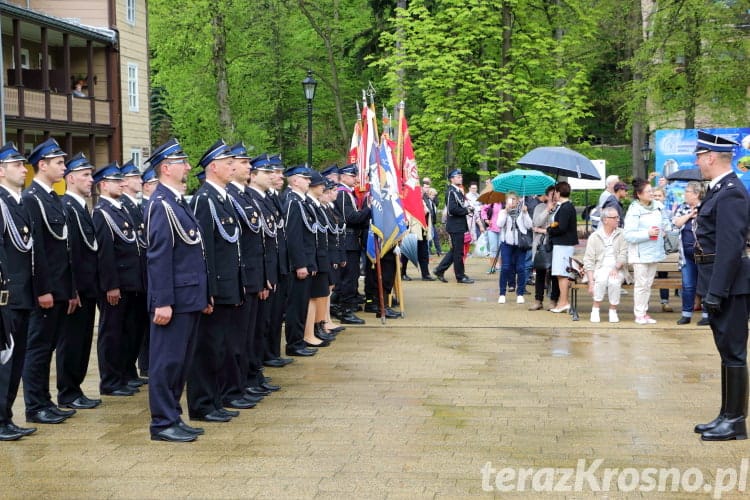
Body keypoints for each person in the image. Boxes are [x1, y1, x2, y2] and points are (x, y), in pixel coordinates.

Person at [145, 138, 209, 442]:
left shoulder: (175, 202)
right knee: (166, 362)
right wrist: (162, 302)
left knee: (180, 362)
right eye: (182, 162)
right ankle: (161, 422)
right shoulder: (160, 204)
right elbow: (158, 257)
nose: (187, 167)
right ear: (166, 168)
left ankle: (173, 415)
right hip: (175, 299)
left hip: (188, 296)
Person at [691, 131, 750, 441]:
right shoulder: (719, 191)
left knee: (734, 353)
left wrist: (716, 291)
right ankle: (726, 415)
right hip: (720, 282)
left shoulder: (731, 193)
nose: (697, 162)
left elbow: (729, 247)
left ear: (711, 158)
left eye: (700, 157)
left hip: (730, 285)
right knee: (727, 351)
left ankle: (736, 421)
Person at [22, 138, 78, 425]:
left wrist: (68, 290)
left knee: (49, 346)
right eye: (58, 162)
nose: (63, 167)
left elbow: (63, 250)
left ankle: (46, 401)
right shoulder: (32, 199)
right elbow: (37, 249)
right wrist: (43, 289)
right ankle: (35, 405)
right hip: (46, 289)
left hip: (59, 287)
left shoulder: (52, 197)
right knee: (38, 348)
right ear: (41, 165)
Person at [92, 162, 144, 397]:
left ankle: (124, 374)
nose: (122, 183)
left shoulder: (120, 209)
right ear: (103, 185)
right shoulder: (102, 212)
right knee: (112, 333)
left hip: (131, 281)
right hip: (116, 285)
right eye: (116, 181)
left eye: (123, 179)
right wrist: (111, 285)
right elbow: (105, 253)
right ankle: (110, 380)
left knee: (129, 331)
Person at [0, 142, 37, 439]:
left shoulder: (19, 203)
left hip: (22, 295)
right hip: (6, 297)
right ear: (1, 171)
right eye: (17, 165)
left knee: (17, 360)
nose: (24, 169)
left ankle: (7, 416)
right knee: (4, 361)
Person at [59, 153, 101, 409]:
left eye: (91, 175)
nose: (91, 180)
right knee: (71, 342)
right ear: (71, 178)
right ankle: (67, 391)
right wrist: (72, 288)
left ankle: (75, 388)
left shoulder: (81, 208)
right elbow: (69, 252)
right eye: (85, 175)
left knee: (82, 342)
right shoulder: (67, 207)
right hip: (78, 290)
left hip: (88, 288)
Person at [283, 165, 319, 357]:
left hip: (306, 261)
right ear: (295, 181)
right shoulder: (292, 202)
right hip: (299, 265)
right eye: (305, 179)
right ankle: (294, 343)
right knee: (296, 306)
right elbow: (293, 236)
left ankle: (298, 340)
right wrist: (300, 264)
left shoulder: (300, 202)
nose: (309, 182)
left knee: (302, 304)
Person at [623, 178, 667, 324]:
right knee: (641, 284)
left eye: (651, 190)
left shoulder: (658, 206)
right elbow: (628, 235)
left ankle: (644, 311)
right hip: (640, 253)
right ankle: (639, 314)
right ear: (639, 194)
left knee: (648, 284)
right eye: (648, 191)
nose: (651, 193)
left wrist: (666, 230)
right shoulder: (634, 210)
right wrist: (647, 233)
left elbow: (666, 223)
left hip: (654, 251)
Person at [672, 181, 709, 326]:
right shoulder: (683, 207)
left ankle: (707, 315)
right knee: (687, 285)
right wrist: (689, 215)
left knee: (705, 284)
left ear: (696, 194)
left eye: (687, 191)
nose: (684, 194)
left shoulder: (706, 207)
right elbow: (676, 223)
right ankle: (686, 314)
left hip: (703, 253)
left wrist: (698, 216)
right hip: (686, 254)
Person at [335, 163, 368, 324]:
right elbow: (350, 218)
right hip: (347, 240)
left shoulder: (348, 193)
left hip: (352, 240)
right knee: (348, 277)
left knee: (351, 276)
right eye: (353, 176)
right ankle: (345, 310)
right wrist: (368, 210)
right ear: (343, 177)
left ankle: (346, 306)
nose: (355, 179)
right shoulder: (342, 194)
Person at [583, 206, 627, 323]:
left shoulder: (622, 234)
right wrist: (590, 281)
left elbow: (624, 254)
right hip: (600, 267)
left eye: (618, 217)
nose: (618, 219)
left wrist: (616, 268)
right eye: (615, 217)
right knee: (601, 279)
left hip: (617, 267)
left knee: (614, 281)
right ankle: (595, 308)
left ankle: (613, 310)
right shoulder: (595, 236)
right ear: (605, 220)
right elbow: (589, 260)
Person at [433, 169, 474, 284]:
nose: (460, 178)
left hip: (459, 225)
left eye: (461, 176)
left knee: (455, 251)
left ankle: (439, 270)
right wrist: (466, 210)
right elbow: (452, 209)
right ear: (452, 179)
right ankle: (460, 276)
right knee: (458, 252)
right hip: (455, 226)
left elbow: (459, 206)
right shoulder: (451, 191)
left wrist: (468, 208)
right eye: (458, 176)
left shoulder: (457, 191)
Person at [547, 181, 579, 313]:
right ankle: (562, 301)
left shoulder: (566, 207)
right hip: (561, 244)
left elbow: (562, 227)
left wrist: (550, 229)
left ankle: (564, 301)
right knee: (560, 274)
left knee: (562, 273)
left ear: (559, 193)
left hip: (563, 244)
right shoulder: (563, 206)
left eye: (555, 192)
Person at [496, 193, 532, 304]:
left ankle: (520, 293)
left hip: (520, 244)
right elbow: (499, 224)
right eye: (509, 200)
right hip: (506, 243)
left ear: (517, 201)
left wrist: (525, 213)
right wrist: (506, 212)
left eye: (514, 200)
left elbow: (529, 225)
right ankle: (502, 293)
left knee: (521, 268)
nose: (512, 202)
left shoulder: (522, 211)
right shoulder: (503, 212)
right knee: (505, 267)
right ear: (506, 201)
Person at [529, 185, 558, 311]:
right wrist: (547, 210)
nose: (554, 197)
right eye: (551, 194)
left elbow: (558, 228)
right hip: (541, 245)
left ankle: (553, 300)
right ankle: (538, 300)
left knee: (554, 274)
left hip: (555, 244)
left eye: (555, 194)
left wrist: (543, 230)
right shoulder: (539, 207)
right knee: (540, 272)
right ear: (546, 196)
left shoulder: (561, 208)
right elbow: (536, 223)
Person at [480, 200, 503, 273]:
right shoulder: (491, 202)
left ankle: (500, 267)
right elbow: (483, 210)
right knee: (493, 248)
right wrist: (486, 220)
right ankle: (492, 267)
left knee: (502, 249)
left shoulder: (505, 203)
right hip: (492, 228)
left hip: (503, 229)